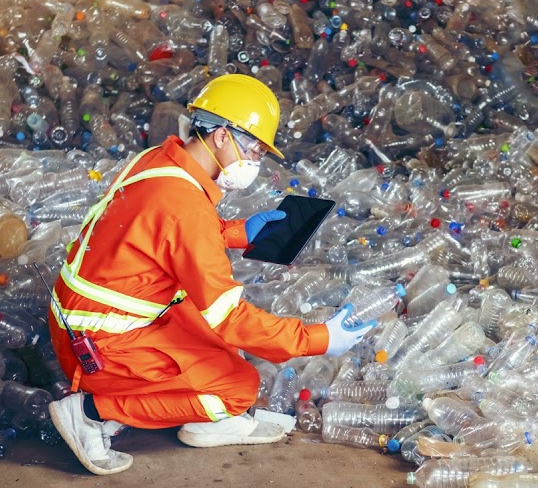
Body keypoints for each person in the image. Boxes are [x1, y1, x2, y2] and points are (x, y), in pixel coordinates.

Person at [45, 73, 378, 475]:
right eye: (254, 149)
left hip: (89, 318)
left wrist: (237, 232)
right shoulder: (184, 203)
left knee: (218, 344)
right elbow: (229, 315)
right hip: (98, 348)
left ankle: (204, 415)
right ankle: (91, 411)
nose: (254, 161)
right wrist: (318, 339)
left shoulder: (158, 161)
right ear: (221, 136)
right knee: (239, 385)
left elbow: (161, 233)